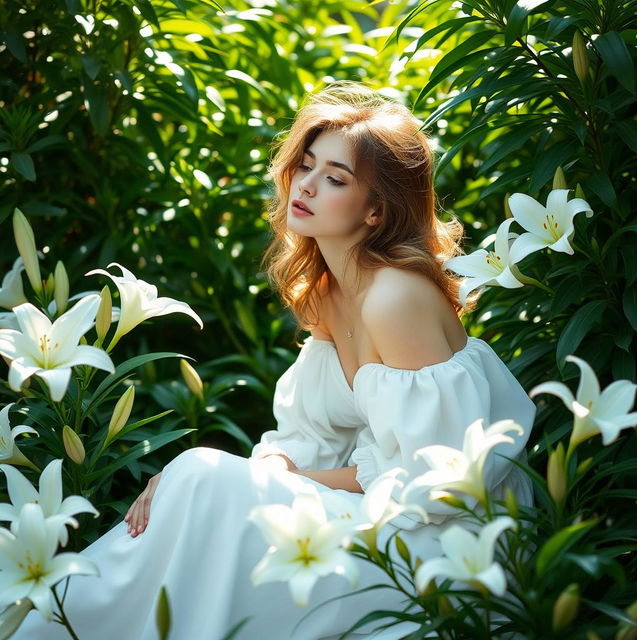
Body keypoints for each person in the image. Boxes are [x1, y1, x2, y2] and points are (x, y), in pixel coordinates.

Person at [12, 81, 535, 640]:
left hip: (446, 542)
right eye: (306, 165)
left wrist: (277, 477)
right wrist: (268, 473)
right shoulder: (328, 291)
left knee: (200, 478)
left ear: (377, 209)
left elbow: (441, 481)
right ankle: (61, 620)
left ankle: (56, 621)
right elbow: (310, 432)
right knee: (199, 487)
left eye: (335, 179)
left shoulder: (395, 297)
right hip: (390, 510)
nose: (305, 186)